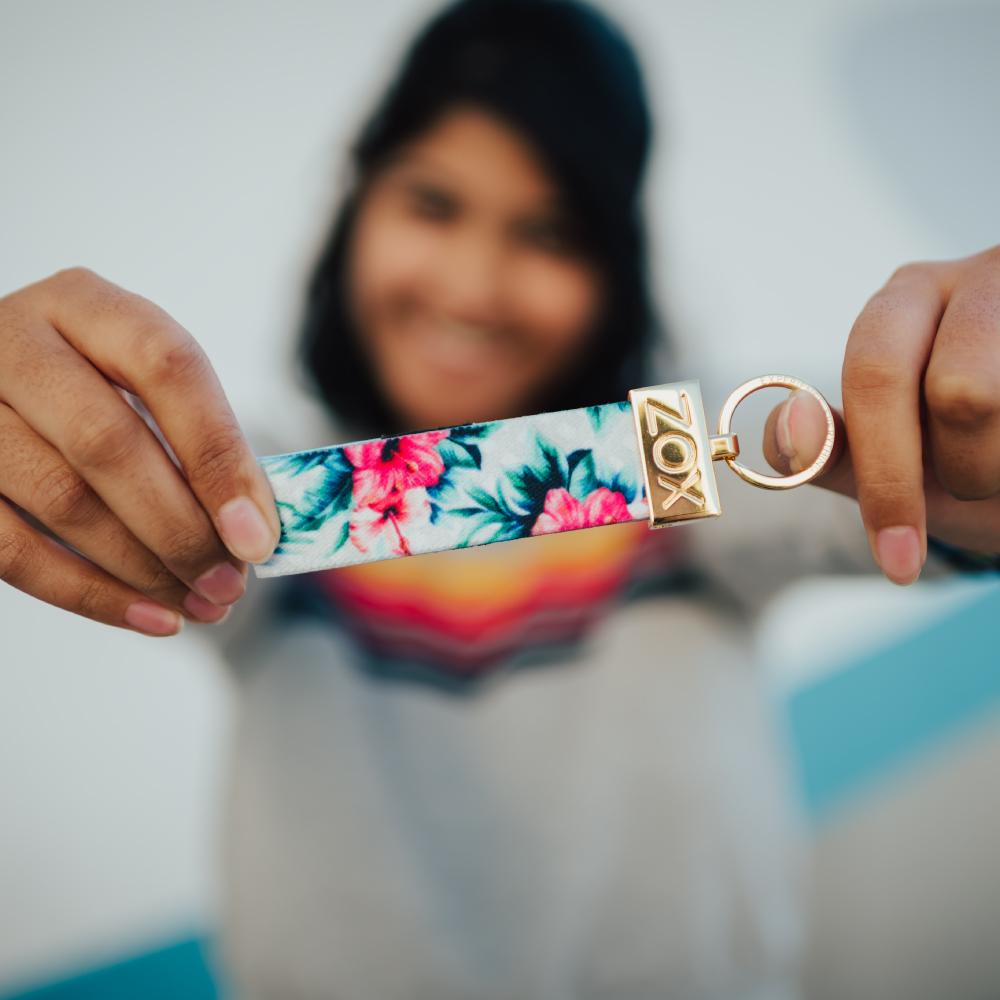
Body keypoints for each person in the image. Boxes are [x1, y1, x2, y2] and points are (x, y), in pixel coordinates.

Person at [0, 0, 997, 996]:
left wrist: (962, 434)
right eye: (433, 204)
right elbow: (124, 505)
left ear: (614, 267)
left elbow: (925, 489)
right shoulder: (243, 489)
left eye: (549, 232)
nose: (473, 288)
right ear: (358, 209)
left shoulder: (695, 457)